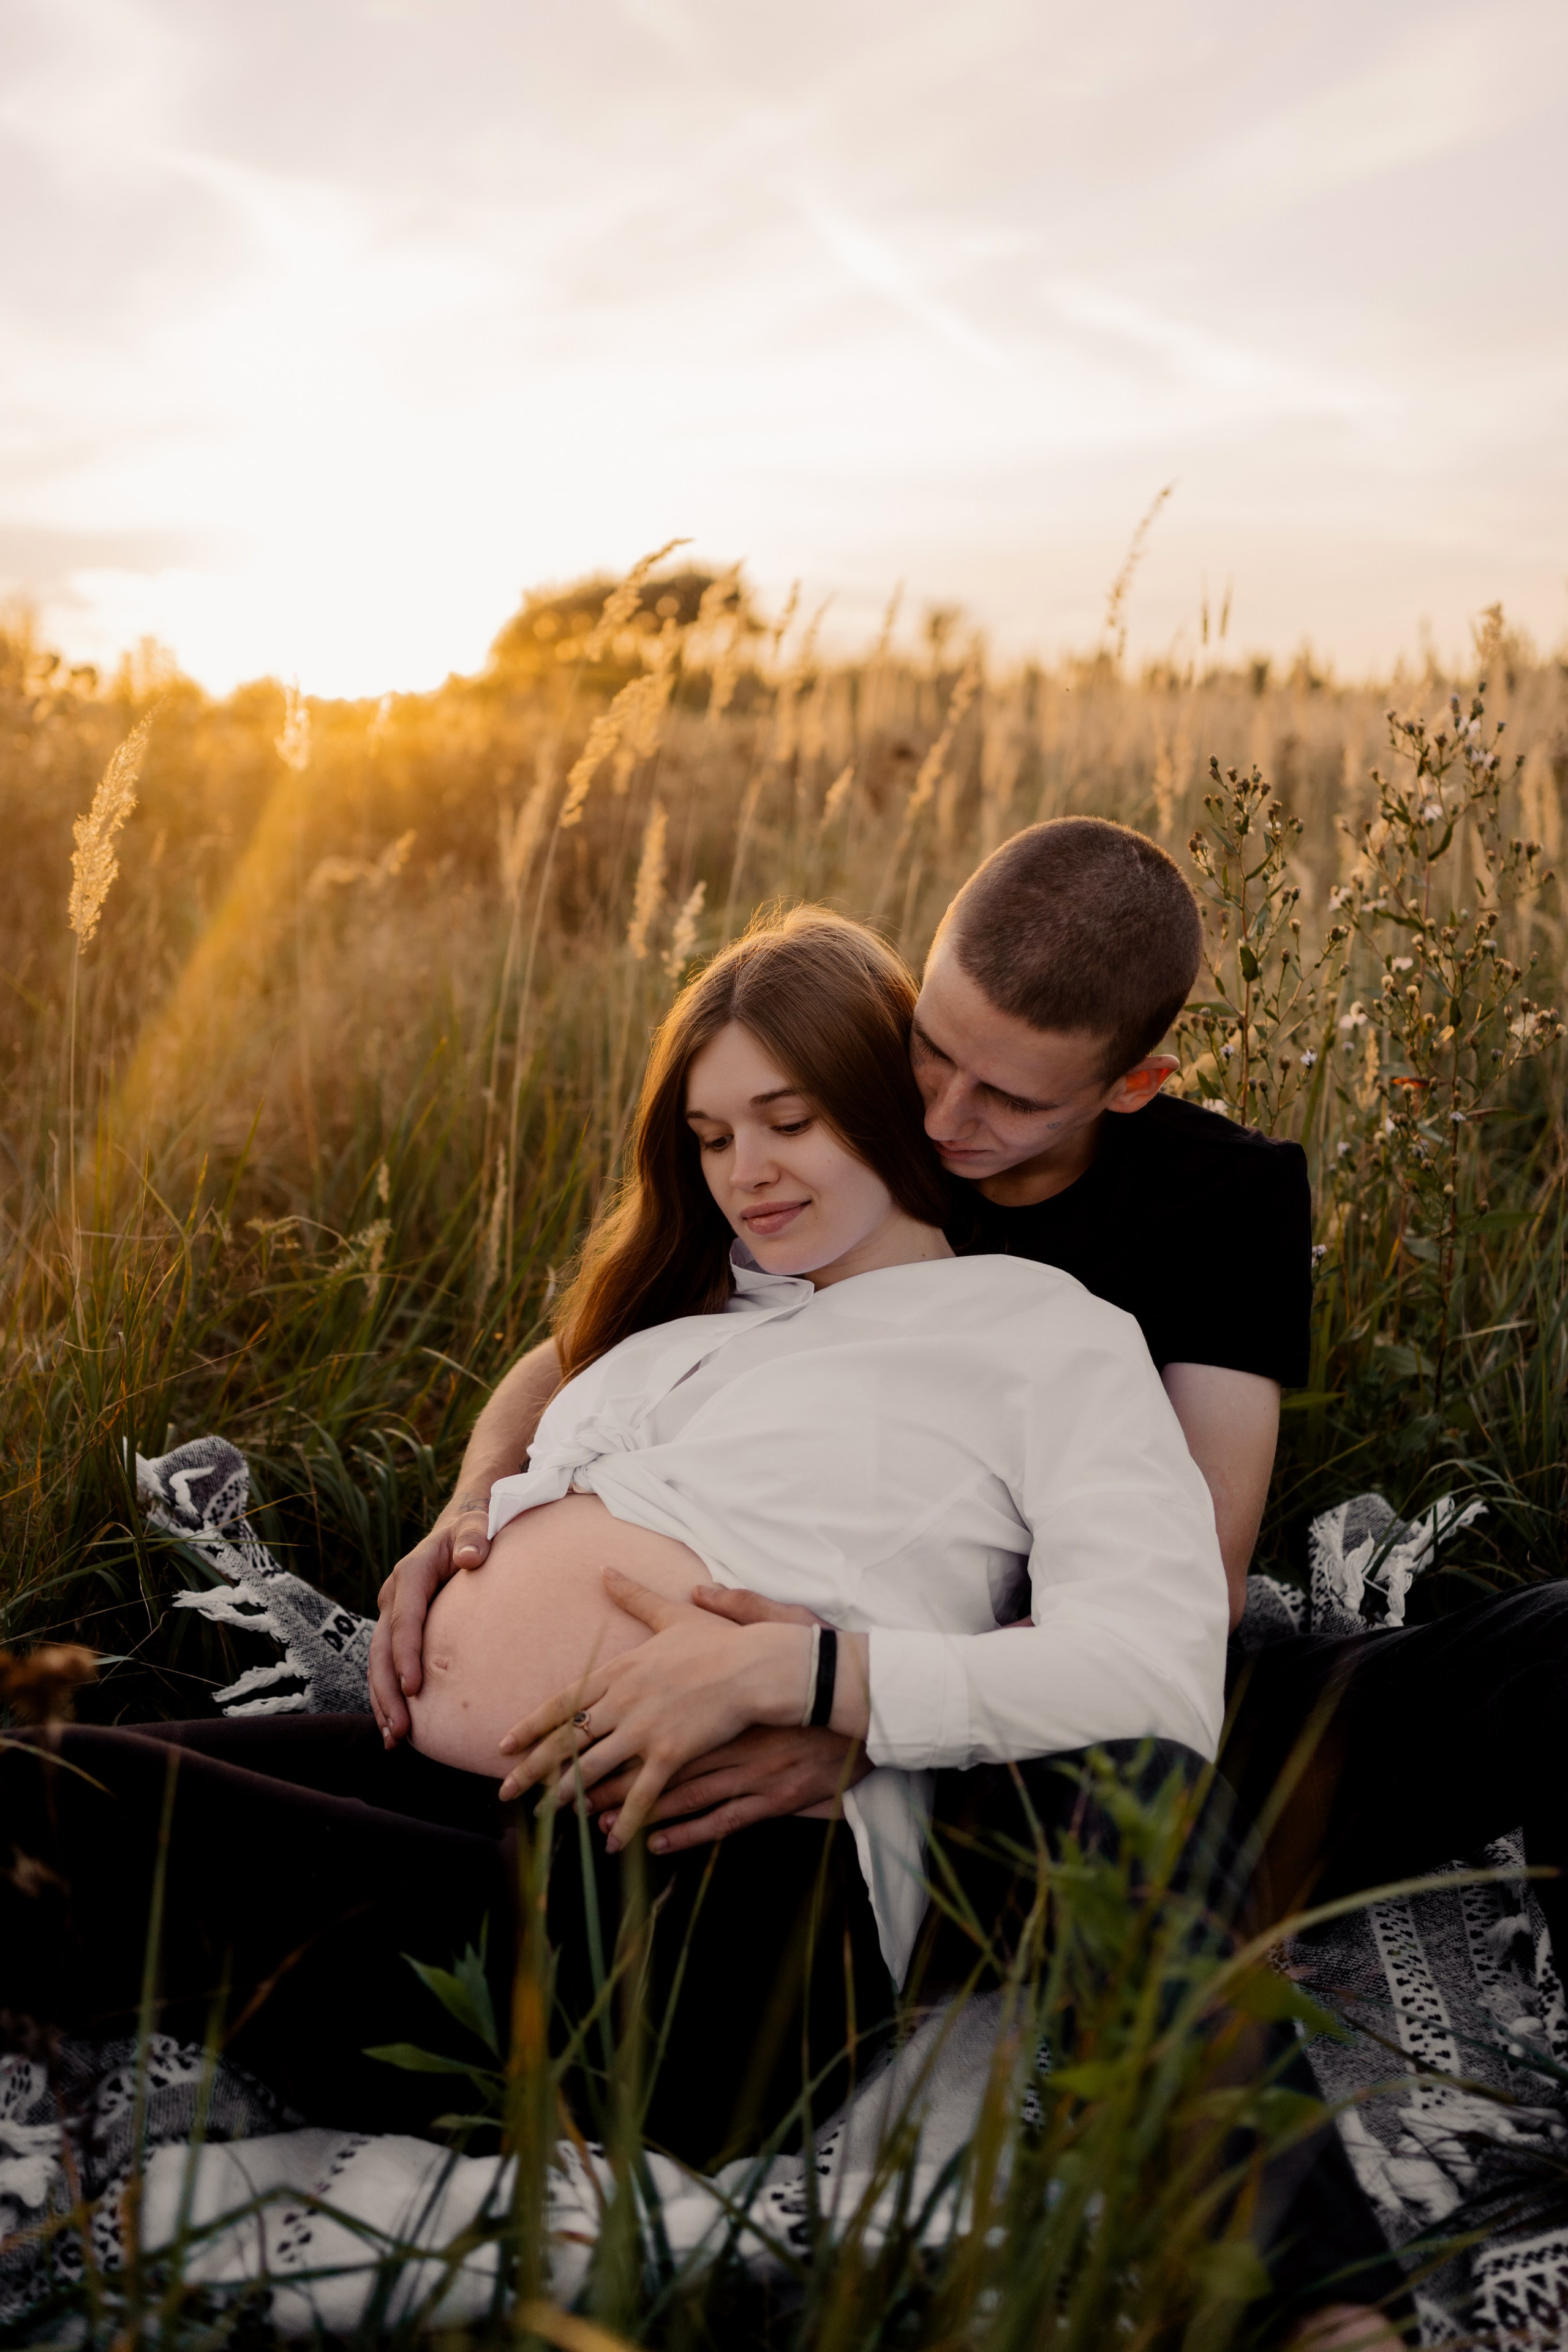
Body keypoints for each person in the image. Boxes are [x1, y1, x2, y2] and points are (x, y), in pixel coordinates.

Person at [371, 819, 1568, 1985]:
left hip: (1061, 1684)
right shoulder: (847, 1126)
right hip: (864, 1665)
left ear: (1132, 1086)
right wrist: (476, 1508)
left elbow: (1183, 1599)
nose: (943, 1122)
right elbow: (580, 1350)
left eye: (1008, 1100)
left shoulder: (1215, 1200)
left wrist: (859, 1716)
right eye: (930, 1052)